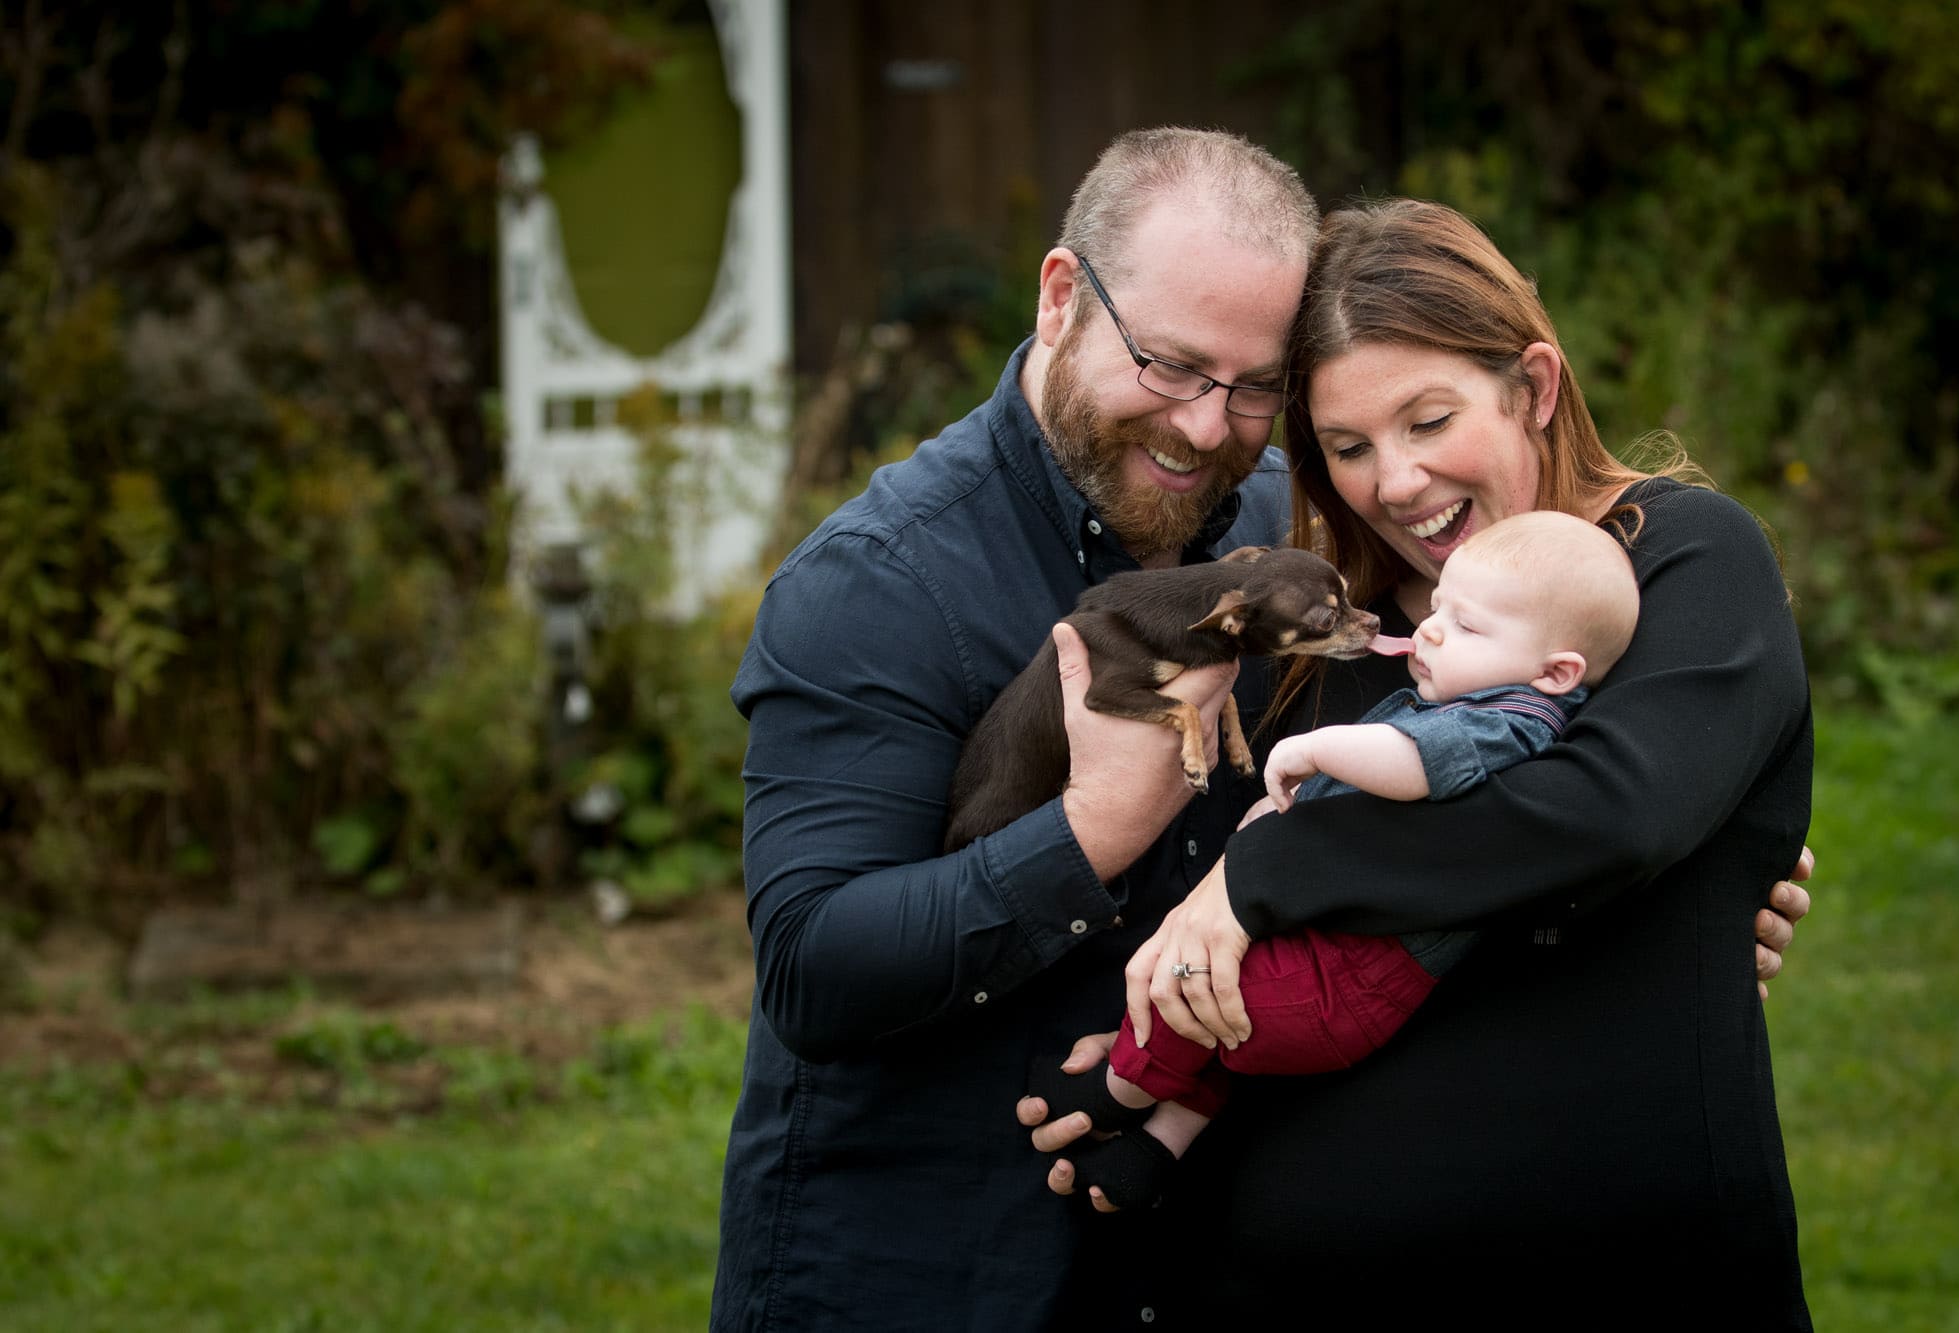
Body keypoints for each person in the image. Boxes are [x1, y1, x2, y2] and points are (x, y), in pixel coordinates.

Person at [716, 128, 1809, 1330]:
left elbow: (1562, 827)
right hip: (935, 1259)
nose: (1202, 426)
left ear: (1533, 387)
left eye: (1248, 392)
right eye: (1173, 367)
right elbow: (816, 962)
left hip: (1448, 1261)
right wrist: (1099, 853)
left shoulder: (1311, 569)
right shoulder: (886, 584)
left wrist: (1681, 910)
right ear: (1063, 296)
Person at [1029, 198, 1816, 1327]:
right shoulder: (1332, 641)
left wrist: (1260, 878)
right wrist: (1174, 1024)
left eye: (1427, 420)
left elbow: (1603, 814)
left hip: (1628, 1275)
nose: (1392, 482)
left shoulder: (1681, 561)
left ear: (1533, 389)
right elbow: (1259, 936)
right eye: (1346, 447)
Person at [1040, 510, 1640, 1211]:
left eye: (1467, 626)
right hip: (1346, 978)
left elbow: (1414, 762)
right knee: (1233, 1027)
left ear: (1556, 671)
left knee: (1203, 996)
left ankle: (1117, 1089)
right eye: (1439, 605)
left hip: (1347, 975)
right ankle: (1160, 1145)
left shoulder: (1508, 723)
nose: (1432, 629)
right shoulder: (1502, 706)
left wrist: (1314, 750)